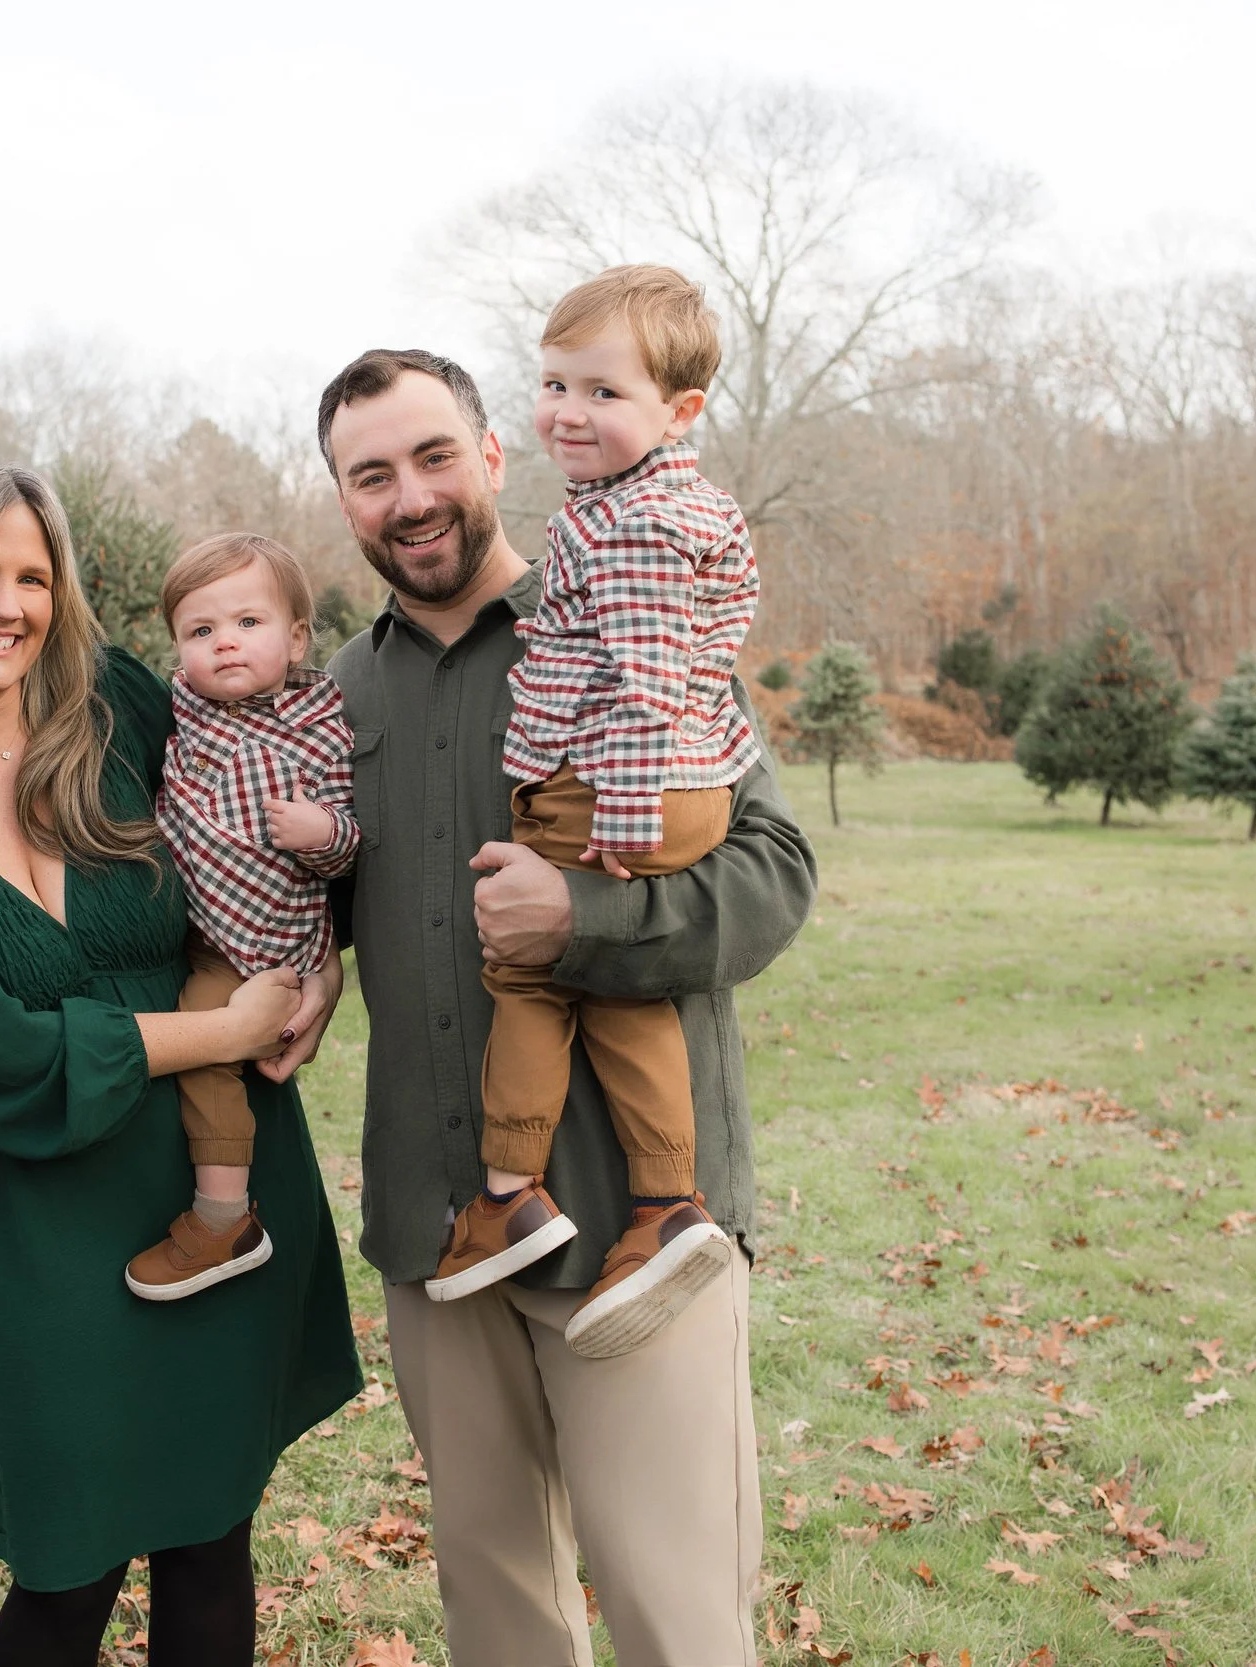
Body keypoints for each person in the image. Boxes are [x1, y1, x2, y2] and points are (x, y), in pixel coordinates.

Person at [0, 458, 361, 1667]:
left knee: (212, 1536)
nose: (6, 603)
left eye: (32, 576)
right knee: (67, 1561)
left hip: (216, 1187)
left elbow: (278, 792)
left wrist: (324, 958)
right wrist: (215, 1030)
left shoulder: (115, 703)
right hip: (34, 1204)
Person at [318, 348, 816, 1666]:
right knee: (500, 1617)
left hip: (634, 1230)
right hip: (440, 1230)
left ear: (493, 455)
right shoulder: (338, 695)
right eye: (371, 476)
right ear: (344, 502)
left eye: (433, 456)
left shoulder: (625, 616)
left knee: (678, 1618)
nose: (409, 497)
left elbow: (773, 871)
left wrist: (586, 920)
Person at [436, 266, 761, 1363]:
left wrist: (616, 829)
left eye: (602, 392)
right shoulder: (679, 504)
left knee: (528, 969)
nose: (568, 412)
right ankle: (667, 1201)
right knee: (619, 996)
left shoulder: (628, 525)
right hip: (681, 778)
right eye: (553, 383)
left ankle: (507, 1188)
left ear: (679, 411)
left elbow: (643, 680)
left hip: (624, 785)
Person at [127, 532, 358, 1299]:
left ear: (296, 638)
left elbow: (352, 841)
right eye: (201, 630)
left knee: (204, 1045)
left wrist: (322, 835)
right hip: (187, 921)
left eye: (248, 623)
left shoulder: (319, 724)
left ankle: (222, 1214)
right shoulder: (181, 713)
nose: (224, 641)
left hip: (263, 938)